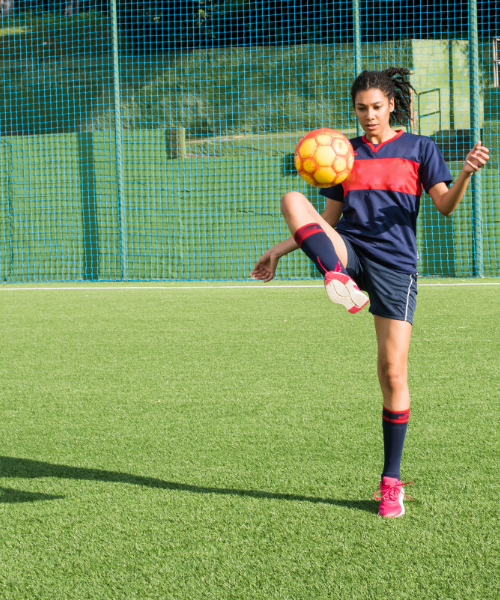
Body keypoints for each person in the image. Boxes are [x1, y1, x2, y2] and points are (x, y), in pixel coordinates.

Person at [250, 68, 490, 518]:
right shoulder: (342, 153)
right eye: (361, 109)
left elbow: (443, 206)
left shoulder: (420, 148)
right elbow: (328, 219)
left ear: (391, 106)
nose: (368, 117)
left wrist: (464, 175)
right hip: (351, 251)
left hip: (396, 267)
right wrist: (278, 251)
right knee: (291, 199)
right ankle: (335, 276)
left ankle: (391, 482)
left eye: (376, 108)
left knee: (392, 372)